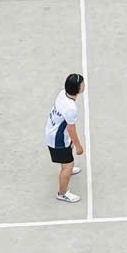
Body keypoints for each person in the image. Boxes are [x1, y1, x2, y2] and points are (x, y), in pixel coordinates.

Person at [48, 72, 87, 203]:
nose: (84, 84)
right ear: (78, 89)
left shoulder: (62, 93)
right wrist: (79, 146)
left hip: (55, 131)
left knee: (67, 158)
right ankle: (62, 193)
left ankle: (66, 168)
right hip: (57, 139)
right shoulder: (71, 109)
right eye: (82, 83)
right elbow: (71, 129)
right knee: (68, 165)